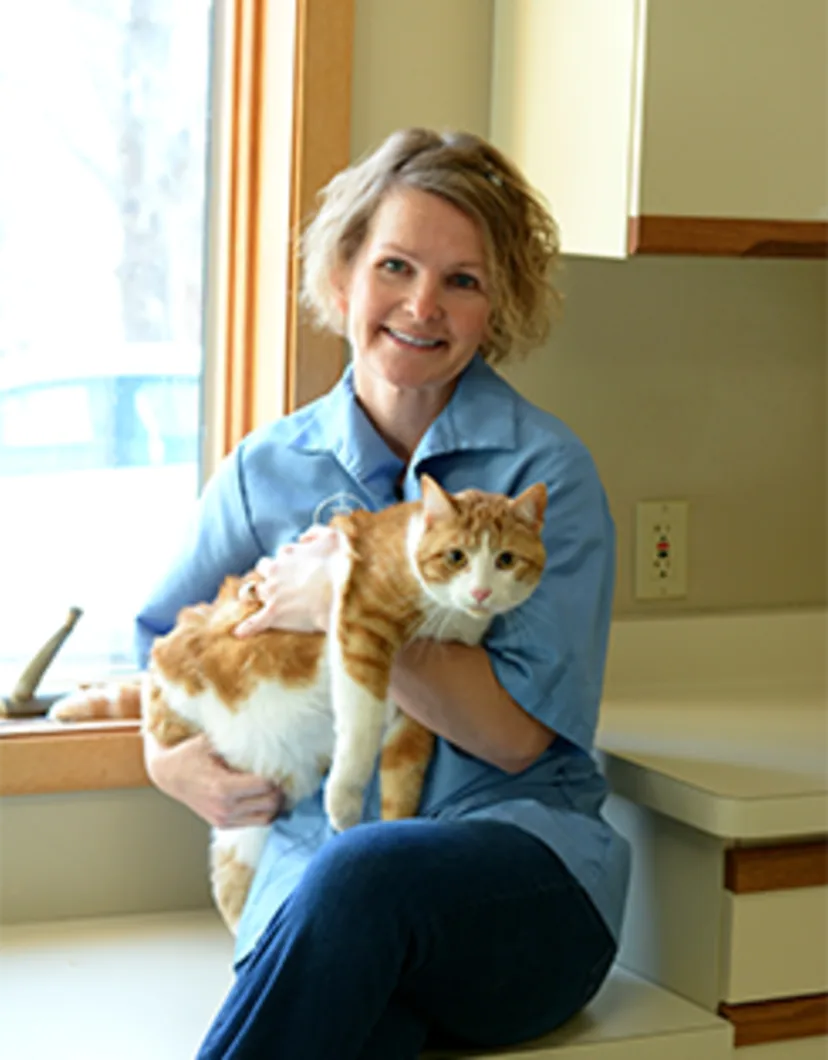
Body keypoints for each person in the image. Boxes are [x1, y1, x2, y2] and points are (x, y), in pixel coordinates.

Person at [136, 127, 631, 1060]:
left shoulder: (542, 476)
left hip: (522, 884)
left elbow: (517, 736)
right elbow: (164, 641)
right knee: (364, 1015)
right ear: (342, 278)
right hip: (317, 898)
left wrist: (340, 603)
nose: (421, 305)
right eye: (395, 265)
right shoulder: (267, 469)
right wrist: (168, 763)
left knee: (363, 873)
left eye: (463, 281)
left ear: (498, 308)